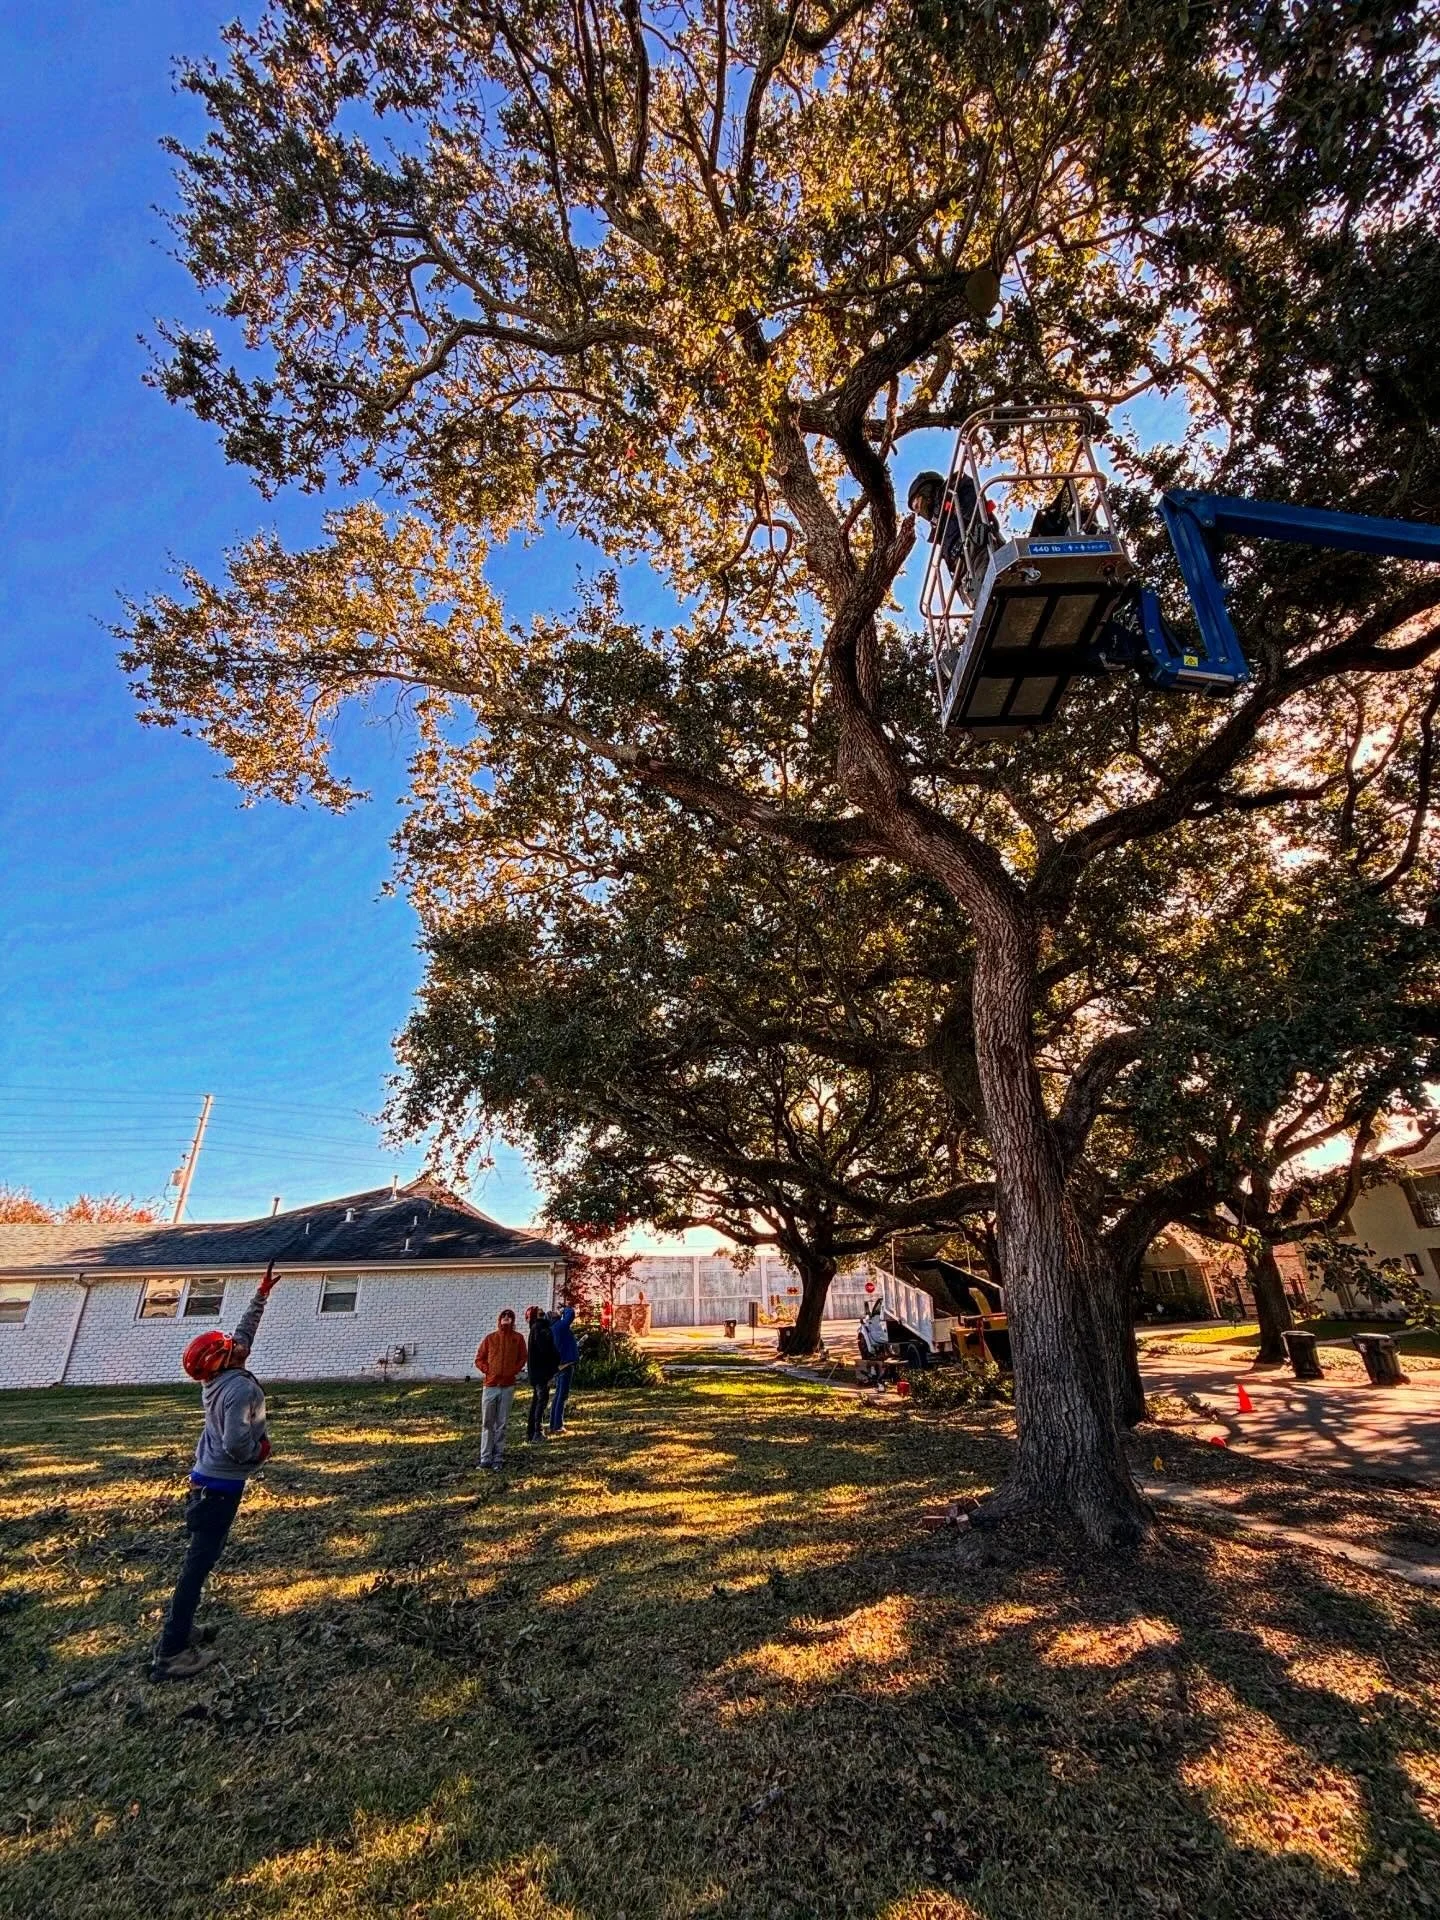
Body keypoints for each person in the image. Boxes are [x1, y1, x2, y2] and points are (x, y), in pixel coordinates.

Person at [151, 1260, 280, 1681]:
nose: (239, 1343)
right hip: (221, 1485)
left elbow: (244, 1333)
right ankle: (171, 1651)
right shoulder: (239, 1387)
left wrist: (261, 1295)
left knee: (200, 1561)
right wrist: (260, 1452)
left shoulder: (222, 1375)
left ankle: (184, 1630)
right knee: (197, 1565)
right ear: (224, 1359)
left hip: (205, 1480)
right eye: (230, 1345)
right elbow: (236, 1443)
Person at [475, 1307, 528, 1470]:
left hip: (507, 1386)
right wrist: (488, 1370)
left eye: (509, 1316)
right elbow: (479, 1358)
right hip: (490, 1385)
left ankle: (498, 1456)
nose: (506, 1318)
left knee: (501, 1423)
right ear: (499, 1319)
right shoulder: (491, 1339)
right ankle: (485, 1457)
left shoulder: (517, 1339)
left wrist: (514, 1370)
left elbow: (522, 1357)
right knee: (487, 1422)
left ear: (512, 1320)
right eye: (504, 1316)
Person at [524, 1303, 559, 1442]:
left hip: (538, 1372)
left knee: (537, 1402)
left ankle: (531, 1431)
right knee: (541, 1401)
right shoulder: (540, 1328)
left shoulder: (537, 1328)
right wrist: (555, 1361)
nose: (543, 1313)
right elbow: (546, 1349)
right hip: (541, 1373)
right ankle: (537, 1432)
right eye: (540, 1312)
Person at [548, 1304, 580, 1434]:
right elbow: (571, 1313)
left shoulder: (552, 1329)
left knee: (558, 1396)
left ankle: (553, 1423)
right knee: (562, 1396)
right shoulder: (560, 1326)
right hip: (566, 1365)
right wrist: (564, 1309)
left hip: (559, 1365)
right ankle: (557, 1425)